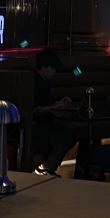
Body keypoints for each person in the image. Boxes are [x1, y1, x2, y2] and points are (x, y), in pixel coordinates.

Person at [31, 47, 76, 177]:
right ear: (43, 67)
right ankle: (49, 168)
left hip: (44, 123)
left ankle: (48, 167)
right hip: (36, 124)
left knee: (69, 135)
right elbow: (33, 110)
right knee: (67, 137)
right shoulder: (35, 82)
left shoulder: (43, 82)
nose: (54, 72)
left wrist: (59, 103)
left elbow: (45, 104)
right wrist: (52, 107)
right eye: (52, 68)